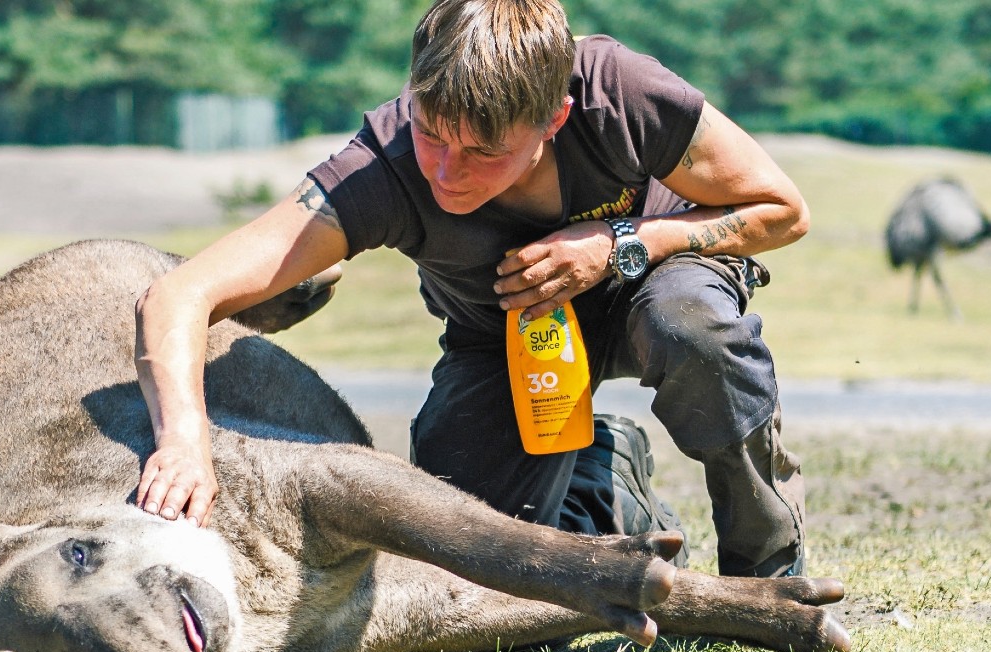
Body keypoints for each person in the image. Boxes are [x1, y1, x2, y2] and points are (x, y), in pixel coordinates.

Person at [134, 0, 810, 578]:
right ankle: (603, 479)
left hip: (653, 280)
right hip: (503, 338)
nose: (447, 171)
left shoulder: (621, 95)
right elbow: (179, 294)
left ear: (554, 119)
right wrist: (184, 439)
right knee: (466, 569)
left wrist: (623, 244)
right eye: (432, 135)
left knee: (691, 324)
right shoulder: (382, 170)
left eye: (484, 151)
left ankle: (766, 569)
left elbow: (783, 211)